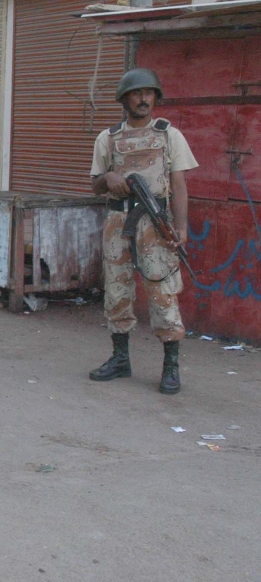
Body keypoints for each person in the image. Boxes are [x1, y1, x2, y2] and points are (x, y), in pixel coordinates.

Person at [88, 68, 198, 395]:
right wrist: (108, 179)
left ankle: (170, 366)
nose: (143, 99)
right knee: (117, 290)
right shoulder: (108, 138)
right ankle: (120, 359)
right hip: (119, 222)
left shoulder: (169, 135)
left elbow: (179, 185)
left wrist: (181, 227)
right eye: (137, 94)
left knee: (162, 291)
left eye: (149, 93)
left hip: (156, 223)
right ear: (124, 99)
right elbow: (95, 184)